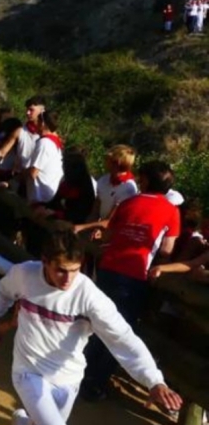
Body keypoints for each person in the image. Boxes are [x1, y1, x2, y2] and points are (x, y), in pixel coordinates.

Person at [0, 229, 183, 425]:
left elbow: (122, 338)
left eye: (74, 270)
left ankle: (22, 421)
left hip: (69, 378)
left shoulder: (90, 297)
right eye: (61, 270)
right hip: (28, 371)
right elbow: (2, 292)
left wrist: (154, 380)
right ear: (44, 262)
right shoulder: (23, 274)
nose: (68, 279)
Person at [81, 160, 181, 401]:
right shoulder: (172, 211)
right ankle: (94, 383)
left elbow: (110, 234)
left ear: (145, 180)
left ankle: (79, 371)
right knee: (120, 331)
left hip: (109, 267)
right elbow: (167, 249)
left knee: (95, 321)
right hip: (135, 275)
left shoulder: (128, 202)